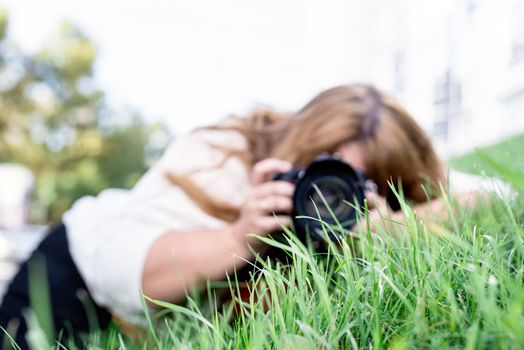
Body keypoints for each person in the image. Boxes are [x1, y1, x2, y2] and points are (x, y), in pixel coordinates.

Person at [0, 84, 493, 348]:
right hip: (74, 275)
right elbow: (124, 270)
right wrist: (241, 236)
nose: (332, 200)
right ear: (298, 154)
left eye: (356, 187)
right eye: (324, 174)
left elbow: (495, 195)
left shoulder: (389, 210)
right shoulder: (224, 156)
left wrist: (405, 225)